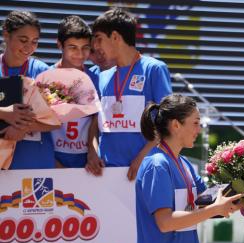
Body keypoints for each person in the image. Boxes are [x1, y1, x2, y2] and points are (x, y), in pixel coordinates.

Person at [135, 94, 244, 243]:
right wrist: (214, 210)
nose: (200, 128)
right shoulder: (157, 164)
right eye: (195, 122)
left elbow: (214, 203)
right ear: (176, 125)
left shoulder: (184, 164)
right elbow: (165, 223)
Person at [88, 7, 172, 180]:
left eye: (99, 39)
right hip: (107, 174)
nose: (95, 46)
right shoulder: (101, 76)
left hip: (144, 171)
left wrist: (142, 158)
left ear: (116, 37)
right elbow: (96, 121)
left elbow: (166, 122)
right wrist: (92, 151)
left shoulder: (153, 69)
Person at [1, 10, 59, 169]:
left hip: (36, 161)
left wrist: (24, 127)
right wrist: (5, 113)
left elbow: (57, 120)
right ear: (6, 34)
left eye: (34, 41)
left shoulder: (43, 72)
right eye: (23, 40)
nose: (28, 47)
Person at [51, 15, 98, 168]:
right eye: (73, 47)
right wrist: (52, 162)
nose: (80, 54)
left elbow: (97, 118)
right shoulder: (45, 78)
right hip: (51, 162)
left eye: (85, 47)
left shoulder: (95, 79)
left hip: (85, 164)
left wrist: (93, 150)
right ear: (60, 45)